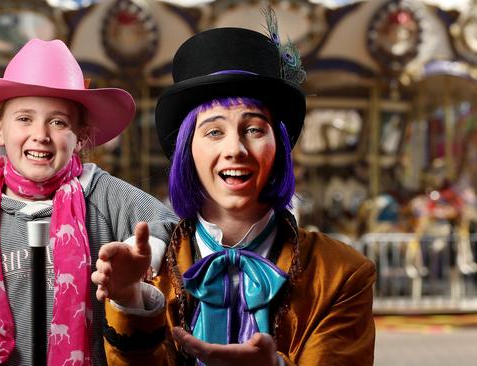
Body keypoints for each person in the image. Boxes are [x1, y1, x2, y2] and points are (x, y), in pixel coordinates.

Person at [93, 15, 376, 366]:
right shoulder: (147, 271)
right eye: (214, 132)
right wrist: (129, 300)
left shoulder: (341, 273)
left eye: (254, 129)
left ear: (280, 147)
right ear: (188, 151)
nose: (235, 149)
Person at [0, 39, 177, 366]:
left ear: (80, 135)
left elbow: (171, 226)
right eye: (24, 119)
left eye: (58, 121)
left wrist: (140, 257)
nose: (40, 133)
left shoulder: (100, 194)